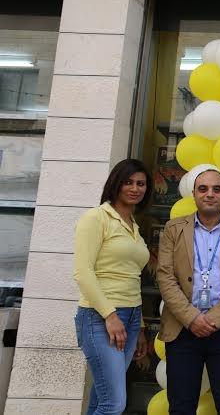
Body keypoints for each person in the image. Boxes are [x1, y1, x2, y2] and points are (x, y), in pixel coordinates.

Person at [157, 168, 220, 414]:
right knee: (181, 407)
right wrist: (192, 318)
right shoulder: (173, 229)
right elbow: (165, 277)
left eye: (216, 189)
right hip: (182, 329)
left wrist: (213, 319)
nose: (210, 194)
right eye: (203, 189)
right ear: (193, 194)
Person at [73, 159, 153, 415]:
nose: (135, 188)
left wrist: (139, 327)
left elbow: (132, 278)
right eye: (128, 182)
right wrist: (110, 315)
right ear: (115, 184)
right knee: (113, 404)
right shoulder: (96, 217)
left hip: (131, 317)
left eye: (141, 183)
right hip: (100, 317)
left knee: (101, 401)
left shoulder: (133, 225)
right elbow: (83, 273)